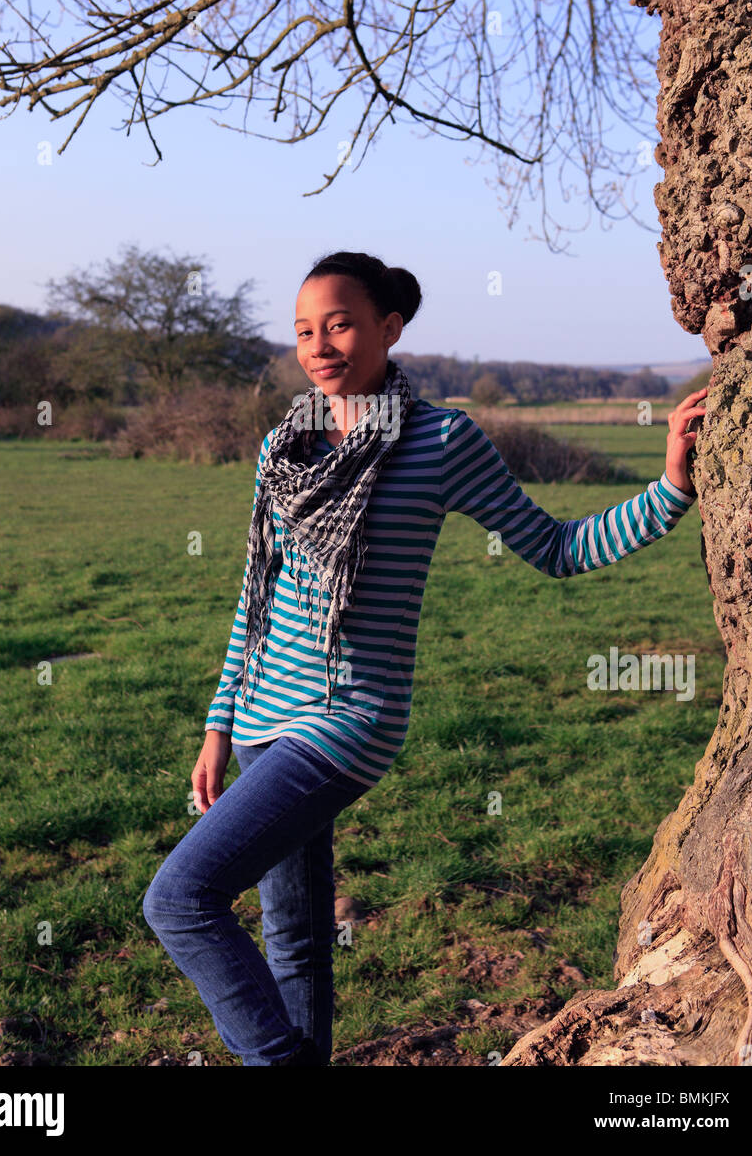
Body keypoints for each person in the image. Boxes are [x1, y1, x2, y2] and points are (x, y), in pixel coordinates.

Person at [142, 250, 706, 1066]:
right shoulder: (283, 450)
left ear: (388, 328)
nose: (319, 345)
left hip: (346, 723)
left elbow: (553, 546)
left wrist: (669, 490)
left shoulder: (441, 439)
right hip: (263, 718)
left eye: (339, 324)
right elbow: (253, 595)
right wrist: (216, 726)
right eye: (304, 330)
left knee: (180, 898)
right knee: (293, 937)